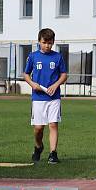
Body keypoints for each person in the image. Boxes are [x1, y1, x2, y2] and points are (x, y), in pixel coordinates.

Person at [23, 28, 68, 164]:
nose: (47, 45)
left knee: (53, 124)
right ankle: (38, 146)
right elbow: (26, 74)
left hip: (54, 98)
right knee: (38, 128)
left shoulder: (58, 57)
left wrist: (56, 85)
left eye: (50, 43)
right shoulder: (33, 56)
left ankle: (53, 153)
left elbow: (64, 74)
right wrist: (32, 84)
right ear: (39, 42)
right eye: (44, 42)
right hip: (38, 98)